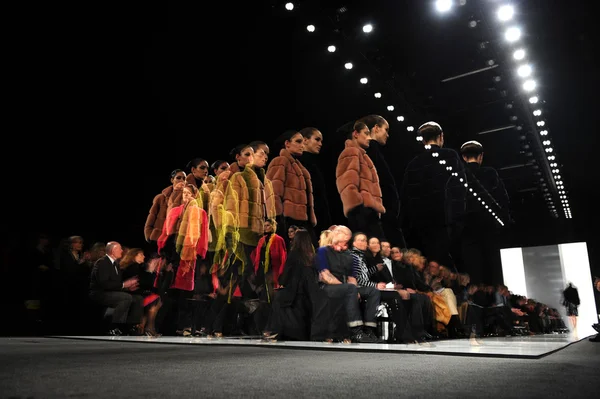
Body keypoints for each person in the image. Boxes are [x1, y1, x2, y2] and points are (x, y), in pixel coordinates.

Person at [399, 121, 466, 272]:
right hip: (445, 221)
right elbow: (459, 190)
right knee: (447, 268)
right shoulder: (451, 156)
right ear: (441, 136)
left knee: (428, 268)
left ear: (422, 140)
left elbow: (405, 198)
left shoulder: (413, 164)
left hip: (421, 225)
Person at [459, 140, 510, 284]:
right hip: (489, 228)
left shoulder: (458, 176)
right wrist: (503, 222)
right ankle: (496, 303)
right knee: (492, 269)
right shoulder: (490, 173)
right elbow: (502, 199)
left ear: (463, 157)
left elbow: (453, 202)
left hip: (467, 230)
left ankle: (476, 302)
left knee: (472, 272)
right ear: (481, 156)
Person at [359, 115, 406, 248]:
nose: (388, 134)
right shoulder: (369, 151)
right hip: (381, 214)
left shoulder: (373, 151)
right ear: (376, 128)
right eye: (386, 130)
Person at [336, 121, 386, 240]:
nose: (369, 137)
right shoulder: (351, 152)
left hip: (368, 211)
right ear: (355, 134)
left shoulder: (362, 155)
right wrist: (358, 206)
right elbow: (347, 184)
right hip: (362, 212)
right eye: (366, 133)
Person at [89, 241, 143, 336]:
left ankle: (130, 326)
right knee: (126, 298)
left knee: (137, 298)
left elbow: (116, 284)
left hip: (111, 292)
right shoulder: (102, 262)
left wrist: (128, 288)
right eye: (120, 249)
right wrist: (124, 285)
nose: (122, 251)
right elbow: (104, 284)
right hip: (99, 293)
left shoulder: (115, 264)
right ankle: (111, 326)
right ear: (113, 250)